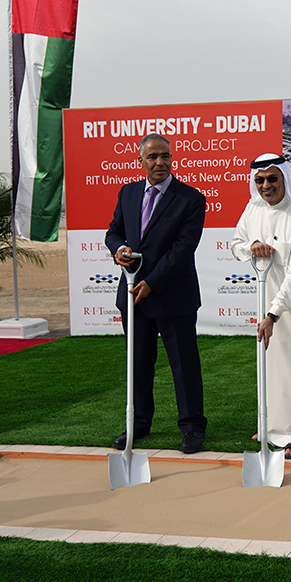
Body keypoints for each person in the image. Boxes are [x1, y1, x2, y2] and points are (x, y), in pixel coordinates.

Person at [105, 133, 208, 454]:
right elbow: (114, 231)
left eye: (165, 156)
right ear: (141, 161)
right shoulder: (128, 193)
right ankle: (138, 424)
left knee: (184, 364)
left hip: (172, 296)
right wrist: (118, 248)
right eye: (152, 157)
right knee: (138, 363)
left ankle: (192, 427)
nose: (160, 162)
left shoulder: (190, 198)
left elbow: (183, 248)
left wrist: (152, 282)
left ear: (172, 158)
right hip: (132, 298)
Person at [231, 153, 291, 459]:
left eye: (272, 179)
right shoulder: (252, 210)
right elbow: (235, 244)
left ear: (285, 178)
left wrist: (274, 313)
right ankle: (274, 426)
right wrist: (251, 248)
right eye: (259, 180)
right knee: (272, 368)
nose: (265, 185)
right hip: (266, 303)